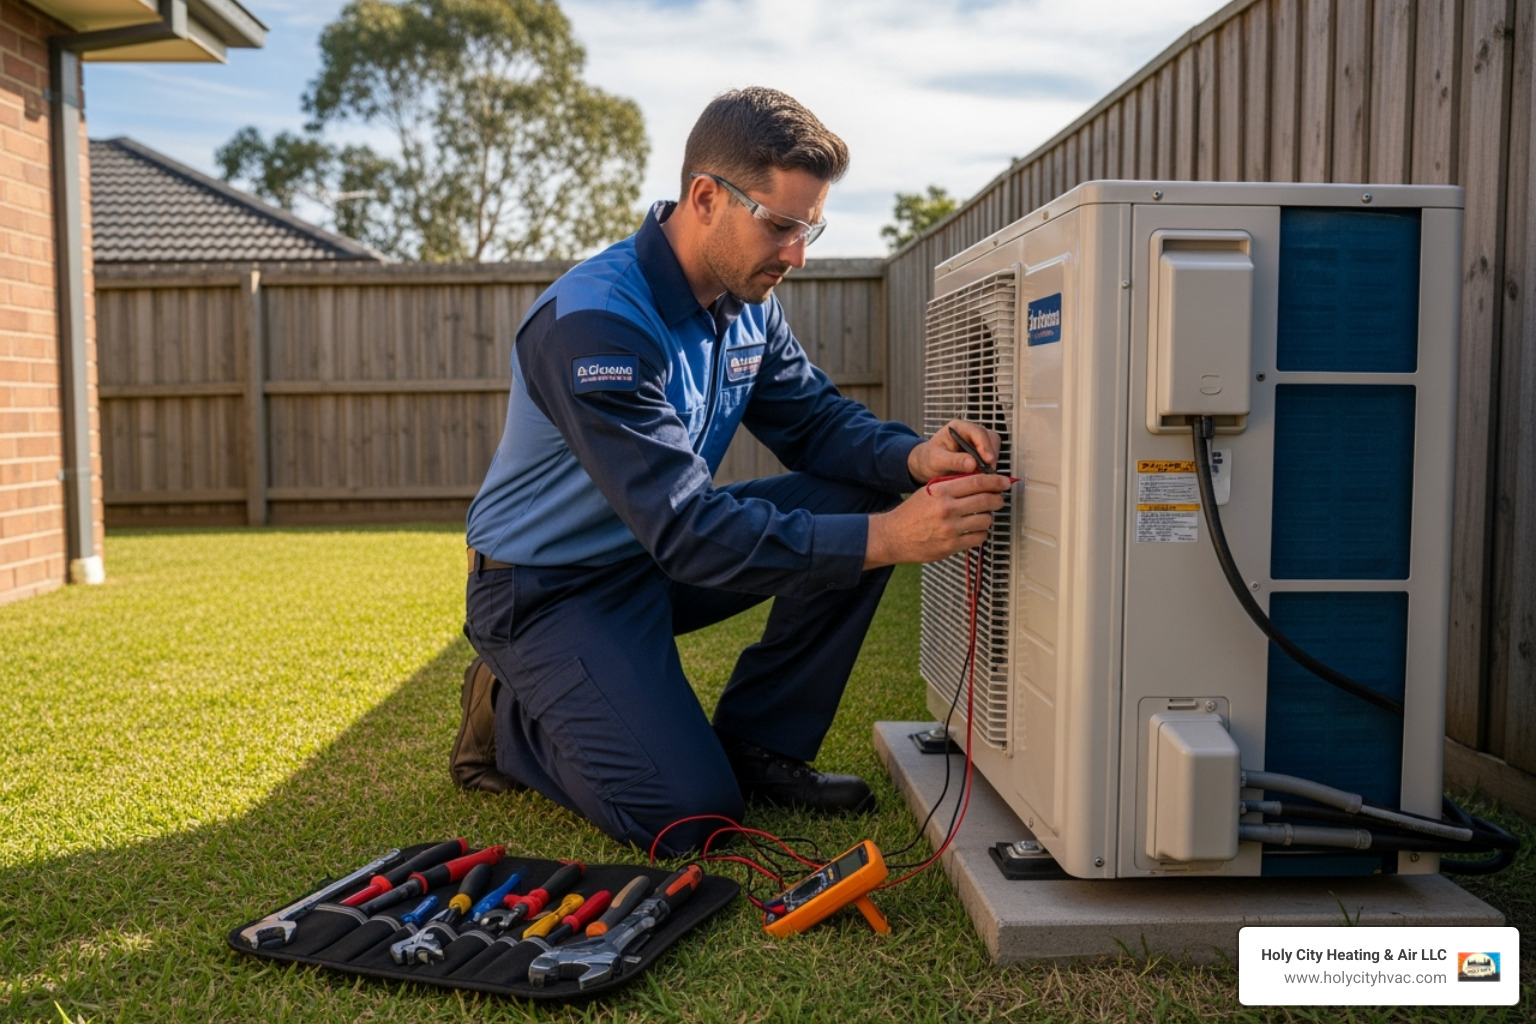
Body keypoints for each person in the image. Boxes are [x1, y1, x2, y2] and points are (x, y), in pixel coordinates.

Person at [454, 86, 1009, 856]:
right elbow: (686, 530)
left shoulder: (748, 304)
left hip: (651, 559)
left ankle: (760, 744)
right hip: (547, 590)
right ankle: (510, 718)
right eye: (780, 225)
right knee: (693, 819)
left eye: (810, 228)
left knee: (869, 480)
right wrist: (888, 539)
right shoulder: (595, 326)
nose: (798, 255)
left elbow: (813, 422)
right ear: (706, 197)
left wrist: (912, 458)